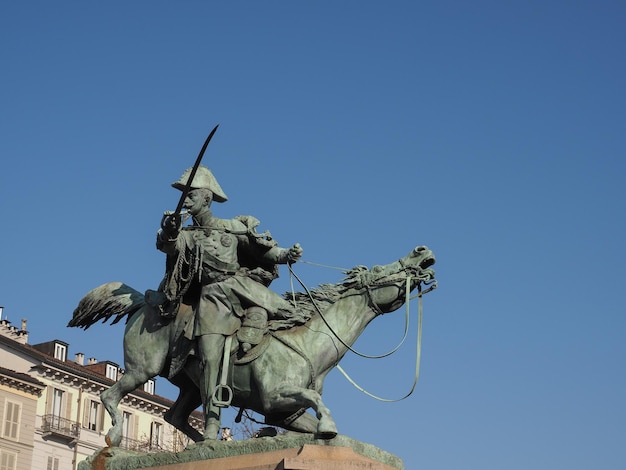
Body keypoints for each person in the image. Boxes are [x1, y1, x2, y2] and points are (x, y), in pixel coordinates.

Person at [155, 165, 303, 440]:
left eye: (191, 194)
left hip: (244, 291)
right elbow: (169, 246)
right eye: (184, 195)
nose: (185, 199)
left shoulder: (233, 228)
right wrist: (169, 231)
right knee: (209, 357)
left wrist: (286, 255)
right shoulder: (186, 234)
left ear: (206, 199)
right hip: (213, 300)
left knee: (288, 321)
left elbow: (263, 251)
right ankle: (213, 420)